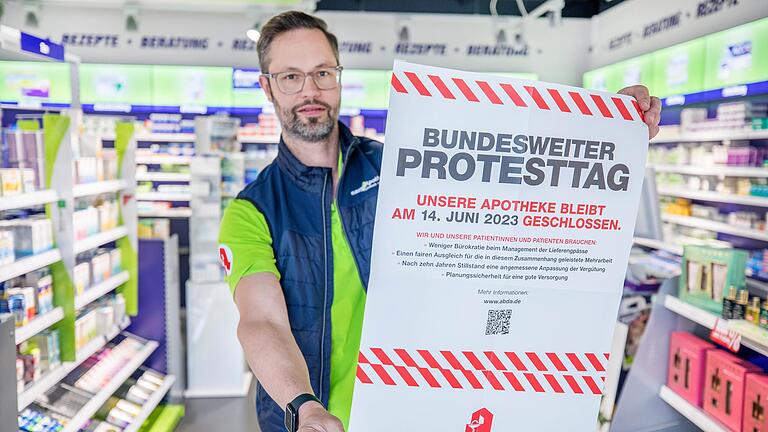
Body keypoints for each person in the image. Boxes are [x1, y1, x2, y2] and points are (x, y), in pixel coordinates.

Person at [218, 10, 662, 432]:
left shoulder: (396, 166)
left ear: (338, 77)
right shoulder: (253, 211)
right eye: (291, 77)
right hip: (317, 421)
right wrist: (304, 406)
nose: (309, 91)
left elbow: (515, 206)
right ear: (267, 86)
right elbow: (263, 321)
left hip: (417, 410)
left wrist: (607, 130)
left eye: (322, 72)